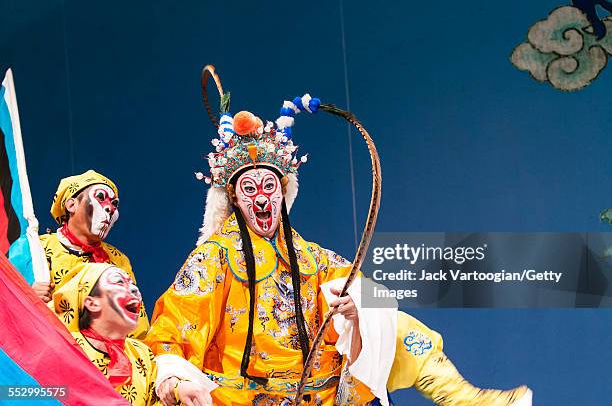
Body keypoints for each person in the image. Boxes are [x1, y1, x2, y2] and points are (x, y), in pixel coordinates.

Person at [145, 89, 532, 405]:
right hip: (242, 397)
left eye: (270, 186)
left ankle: (463, 398)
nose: (261, 198)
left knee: (385, 313)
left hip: (320, 393)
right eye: (250, 189)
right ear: (233, 198)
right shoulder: (213, 258)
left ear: (284, 193)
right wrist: (176, 378)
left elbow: (365, 296)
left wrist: (356, 308)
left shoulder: (313, 258)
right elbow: (175, 326)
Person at [50, 262, 216, 406]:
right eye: (119, 282)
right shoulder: (65, 349)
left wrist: (178, 390)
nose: (135, 289)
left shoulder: (141, 354)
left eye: (131, 283)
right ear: (92, 303)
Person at [32, 170, 149, 338]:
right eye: (100, 197)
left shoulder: (118, 259)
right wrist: (27, 295)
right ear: (71, 205)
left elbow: (137, 325)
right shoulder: (38, 247)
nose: (110, 208)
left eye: (114, 203)